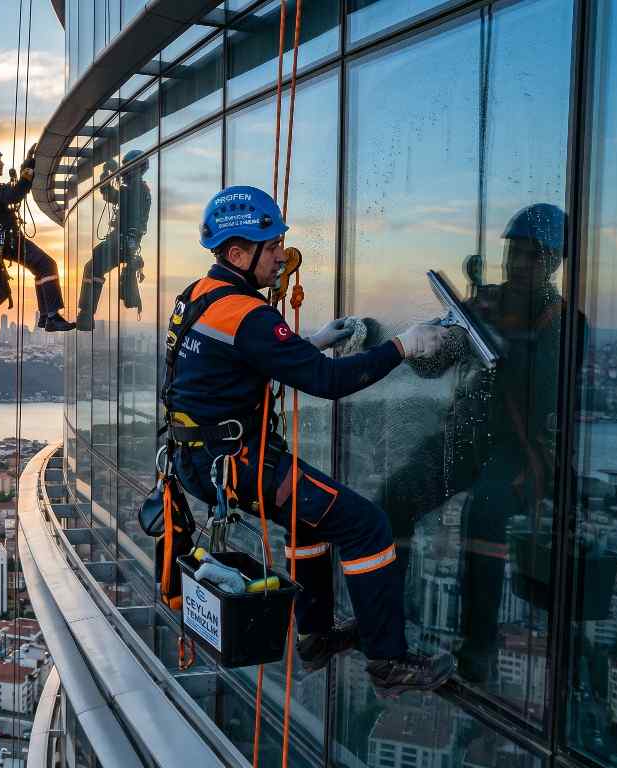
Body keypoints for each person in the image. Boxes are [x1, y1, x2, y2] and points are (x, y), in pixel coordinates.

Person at [165, 184, 456, 696]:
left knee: (307, 525)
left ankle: (316, 637)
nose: (281, 256)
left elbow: (229, 363)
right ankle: (389, 664)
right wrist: (402, 347)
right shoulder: (247, 313)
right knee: (368, 527)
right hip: (241, 464)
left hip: (202, 462)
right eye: (271, 246)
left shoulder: (197, 297)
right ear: (238, 252)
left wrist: (308, 344)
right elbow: (331, 383)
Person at [376, 203, 576, 684]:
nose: (519, 264)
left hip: (521, 449)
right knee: (395, 498)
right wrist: (434, 335)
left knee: (484, 511)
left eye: (531, 256)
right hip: (467, 437)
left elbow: (544, 390)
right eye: (515, 254)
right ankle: (386, 627)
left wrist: (497, 333)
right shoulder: (486, 305)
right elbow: (431, 367)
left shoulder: (563, 323)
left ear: (553, 263)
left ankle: (479, 645)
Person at [0, 142, 74, 332]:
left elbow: (8, 194)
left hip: (2, 241)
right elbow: (13, 195)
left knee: (40, 267)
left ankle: (46, 316)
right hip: (6, 240)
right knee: (47, 265)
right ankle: (51, 316)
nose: (1, 164)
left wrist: (26, 166)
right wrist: (27, 172)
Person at [76, 150, 153, 331]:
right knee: (93, 266)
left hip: (122, 241)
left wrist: (106, 174)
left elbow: (109, 193)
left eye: (126, 167)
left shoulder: (135, 189)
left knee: (91, 267)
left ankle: (86, 316)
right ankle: (86, 316)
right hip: (125, 242)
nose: (124, 171)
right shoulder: (140, 189)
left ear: (134, 168)